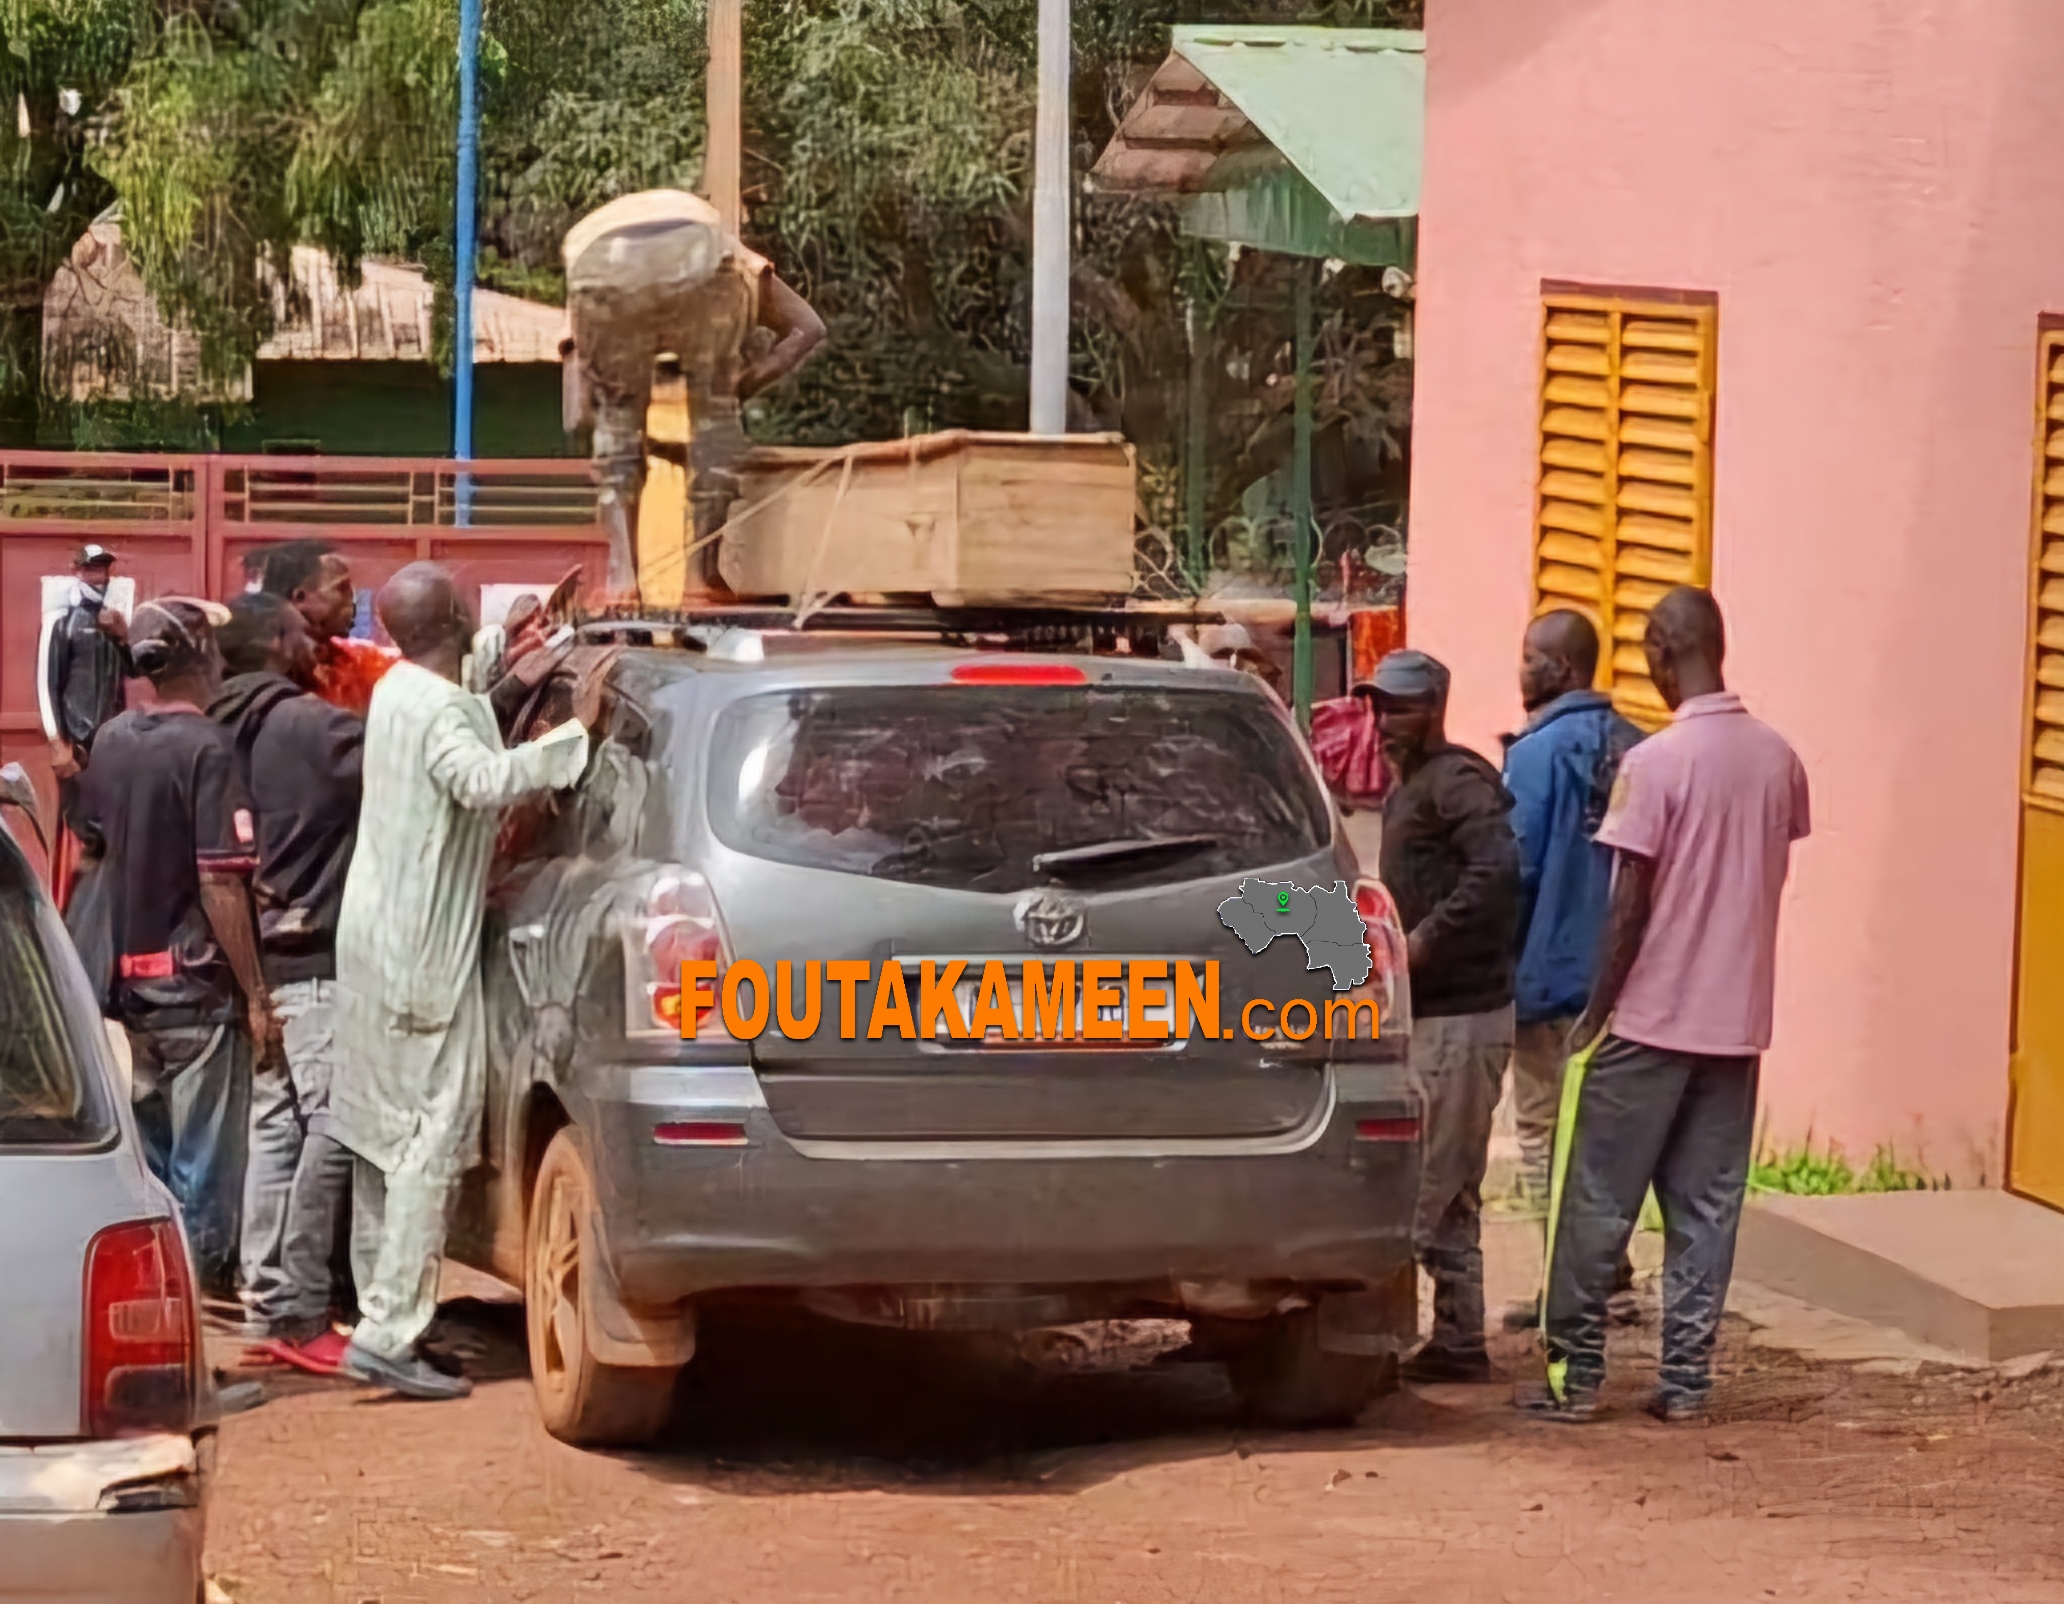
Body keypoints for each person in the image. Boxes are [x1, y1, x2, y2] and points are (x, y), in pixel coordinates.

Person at [1525, 587, 1810, 1424]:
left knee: (1596, 1201)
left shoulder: (1655, 765)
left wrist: (1595, 1013)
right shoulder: (1777, 757)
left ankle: (1571, 1380)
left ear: (1659, 650)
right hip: (1736, 1024)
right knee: (1707, 1208)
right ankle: (1686, 1381)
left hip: (1649, 1020)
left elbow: (1629, 901)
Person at [330, 564, 591, 1399]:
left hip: (375, 944)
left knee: (377, 1139)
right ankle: (393, 1332)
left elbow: (470, 678)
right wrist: (569, 740)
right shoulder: (440, 707)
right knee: (423, 1146)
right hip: (421, 962)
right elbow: (482, 778)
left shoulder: (400, 687)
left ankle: (383, 1314)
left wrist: (529, 640)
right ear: (452, 617)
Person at [79, 598, 279, 1294]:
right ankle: (190, 1310)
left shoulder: (110, 741)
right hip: (195, 991)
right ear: (200, 658)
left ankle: (152, 1300)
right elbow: (222, 884)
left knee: (154, 1168)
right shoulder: (208, 749)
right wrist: (257, 996)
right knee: (206, 1168)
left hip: (128, 990)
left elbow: (90, 854)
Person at [211, 594, 366, 1370]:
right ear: (278, 641)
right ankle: (303, 1310)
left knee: (276, 1126)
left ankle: (265, 1302)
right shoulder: (307, 725)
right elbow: (407, 755)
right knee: (333, 1123)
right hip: (315, 956)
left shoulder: (223, 726)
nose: (322, 643)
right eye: (306, 633)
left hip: (264, 957)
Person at [1371, 648, 1521, 1385]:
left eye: (1399, 707)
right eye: (1377, 706)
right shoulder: (1409, 790)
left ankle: (1364, 1346)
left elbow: (1498, 868)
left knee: (1420, 1192)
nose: (1383, 721)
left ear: (1434, 707)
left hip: (1462, 1018)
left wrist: (1427, 940)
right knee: (1453, 1187)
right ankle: (1460, 1339)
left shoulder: (1457, 781)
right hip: (1433, 1016)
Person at [560, 188, 827, 596]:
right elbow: (810, 327)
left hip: (598, 262)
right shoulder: (740, 261)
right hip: (693, 253)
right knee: (716, 431)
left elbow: (574, 414)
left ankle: (623, 580)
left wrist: (620, 430)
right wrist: (740, 388)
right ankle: (699, 577)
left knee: (617, 437)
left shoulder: (594, 276)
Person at [1499, 611, 1643, 1329]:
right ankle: (1609, 1269)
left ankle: (1568, 1282)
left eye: (1529, 658)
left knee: (1541, 1131)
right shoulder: (1638, 749)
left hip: (1548, 977)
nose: (1520, 670)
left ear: (1560, 668)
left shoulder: (1534, 755)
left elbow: (1515, 869)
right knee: (1606, 1132)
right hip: (1627, 983)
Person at [43, 542, 132, 841]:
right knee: (76, 825)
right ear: (77, 570)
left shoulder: (115, 618)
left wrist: (122, 639)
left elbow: (132, 671)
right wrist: (58, 741)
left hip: (111, 737)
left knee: (113, 820)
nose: (97, 575)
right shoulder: (61, 619)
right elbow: (47, 681)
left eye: (102, 568)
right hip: (76, 737)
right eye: (91, 568)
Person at [260, 539, 396, 718]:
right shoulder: (260, 665)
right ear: (300, 597)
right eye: (342, 589)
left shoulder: (355, 658)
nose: (353, 601)